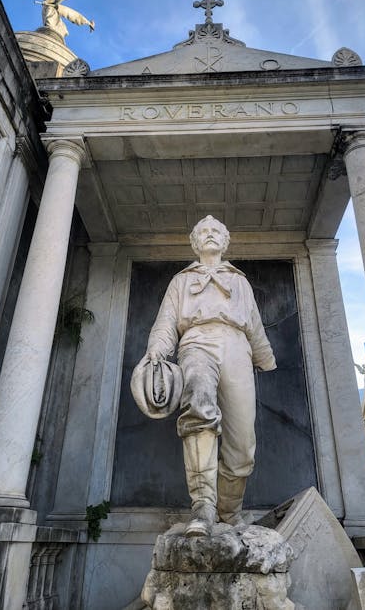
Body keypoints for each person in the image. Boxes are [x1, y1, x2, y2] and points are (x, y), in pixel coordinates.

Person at [145, 215, 276, 537]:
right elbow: (166, 322)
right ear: (194, 242)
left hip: (237, 347)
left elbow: (254, 323)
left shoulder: (239, 281)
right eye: (203, 232)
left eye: (216, 231)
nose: (209, 234)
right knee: (199, 413)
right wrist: (156, 352)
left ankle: (229, 512)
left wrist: (265, 358)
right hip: (196, 342)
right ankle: (202, 507)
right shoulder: (181, 280)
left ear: (225, 240)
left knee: (243, 443)